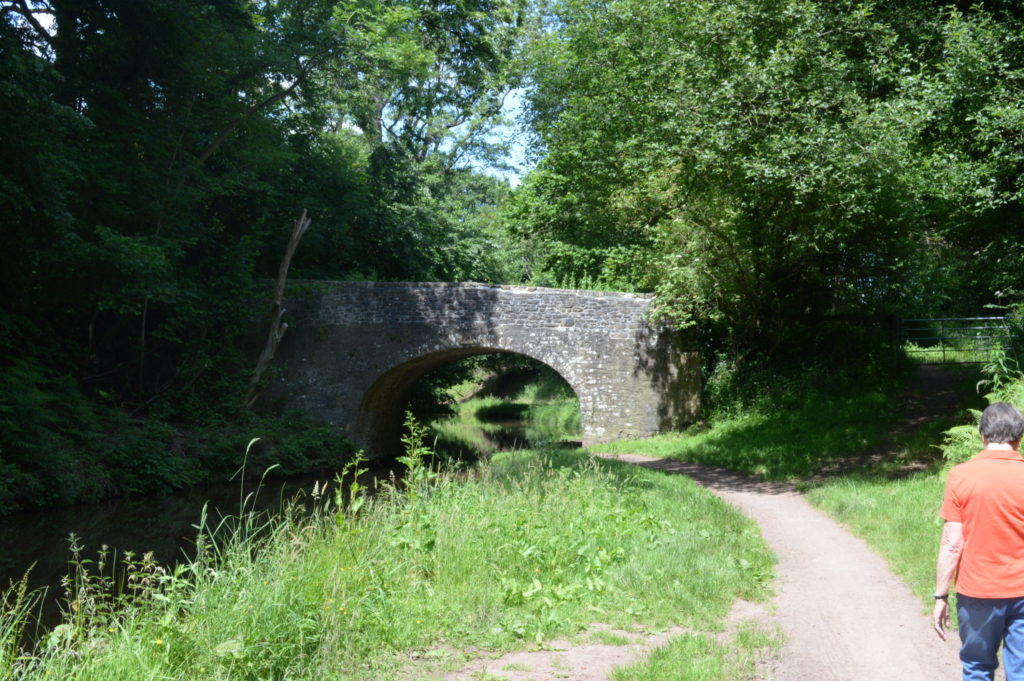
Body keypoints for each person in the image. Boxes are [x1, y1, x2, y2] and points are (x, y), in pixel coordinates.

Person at [934, 401, 1024, 680]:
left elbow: (952, 543)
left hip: (977, 592)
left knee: (977, 668)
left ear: (983, 436)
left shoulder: (961, 475)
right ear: (1018, 439)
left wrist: (940, 595)